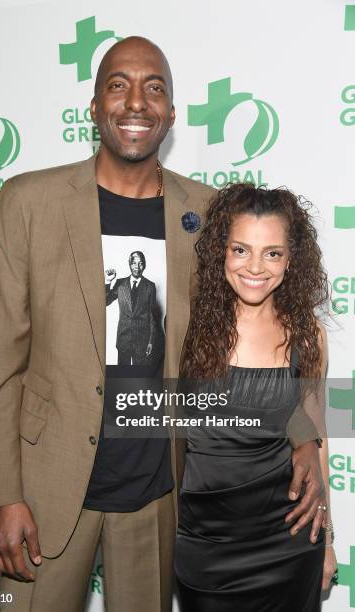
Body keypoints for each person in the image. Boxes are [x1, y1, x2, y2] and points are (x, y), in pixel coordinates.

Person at [0, 35, 326, 612]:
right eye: (118, 85)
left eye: (154, 87)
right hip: (48, 489)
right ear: (93, 106)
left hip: (162, 489)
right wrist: (7, 497)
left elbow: (279, 334)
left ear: (171, 112)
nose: (136, 102)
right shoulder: (27, 203)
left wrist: (306, 434)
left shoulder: (211, 212)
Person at [175, 183, 338, 611]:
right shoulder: (186, 329)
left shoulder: (309, 334)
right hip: (205, 542)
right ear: (220, 253)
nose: (255, 267)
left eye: (273, 253)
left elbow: (315, 435)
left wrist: (327, 537)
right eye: (240, 249)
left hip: (288, 537)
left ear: (291, 260)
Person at [105, 251, 163, 366]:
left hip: (142, 341)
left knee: (139, 378)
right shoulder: (120, 284)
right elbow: (105, 301)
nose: (137, 267)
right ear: (129, 264)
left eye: (140, 263)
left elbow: (152, 316)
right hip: (123, 340)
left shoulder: (150, 287)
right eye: (134, 263)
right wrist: (108, 281)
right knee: (122, 378)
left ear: (144, 265)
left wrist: (151, 341)